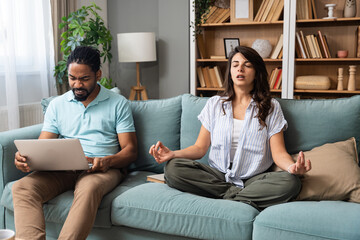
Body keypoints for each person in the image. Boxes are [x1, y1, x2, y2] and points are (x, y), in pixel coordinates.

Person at [149, 46, 311, 210]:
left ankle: (223, 197)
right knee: (172, 168)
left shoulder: (271, 107)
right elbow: (199, 148)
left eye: (247, 65)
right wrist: (172, 154)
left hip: (255, 178)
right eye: (235, 65)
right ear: (230, 71)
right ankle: (238, 197)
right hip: (218, 175)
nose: (240, 68)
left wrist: (292, 167)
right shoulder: (215, 104)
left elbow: (278, 153)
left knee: (291, 182)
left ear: (256, 72)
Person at [13, 46, 137, 240]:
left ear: (98, 74)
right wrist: (25, 158)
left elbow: (130, 151)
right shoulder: (57, 105)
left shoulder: (118, 103)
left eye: (84, 79)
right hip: (63, 169)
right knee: (22, 188)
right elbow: (42, 145)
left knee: (88, 189)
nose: (77, 84)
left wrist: (107, 161)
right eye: (72, 78)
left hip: (101, 169)